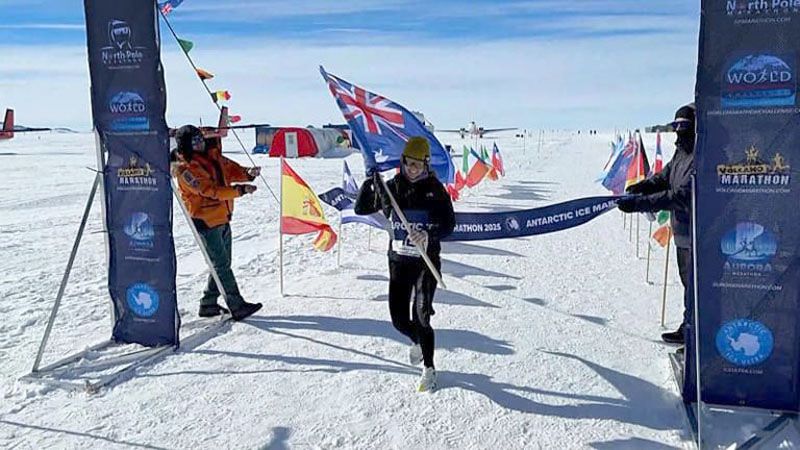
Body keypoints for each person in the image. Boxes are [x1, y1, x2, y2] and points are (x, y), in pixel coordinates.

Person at [354, 136, 455, 392]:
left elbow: (449, 224)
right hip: (399, 262)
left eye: (417, 165)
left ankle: (429, 369)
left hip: (425, 262)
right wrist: (370, 182)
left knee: (421, 315)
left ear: (426, 165)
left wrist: (429, 235)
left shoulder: (435, 189)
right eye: (408, 163)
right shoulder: (393, 187)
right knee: (399, 320)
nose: (412, 169)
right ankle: (417, 341)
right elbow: (361, 208)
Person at [617, 104, 695, 346]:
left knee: (697, 289)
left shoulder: (701, 156)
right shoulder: (681, 153)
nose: (679, 131)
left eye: (684, 126)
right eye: (675, 126)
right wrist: (642, 186)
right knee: (687, 286)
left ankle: (694, 335)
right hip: (682, 234)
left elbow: (681, 196)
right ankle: (688, 328)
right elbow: (665, 178)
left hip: (699, 235)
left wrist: (641, 204)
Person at [174, 124, 263, 321]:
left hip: (223, 217)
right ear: (186, 144)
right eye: (194, 141)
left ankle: (208, 303)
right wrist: (239, 190)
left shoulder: (212, 157)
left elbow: (231, 169)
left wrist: (248, 172)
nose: (199, 143)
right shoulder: (185, 170)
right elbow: (210, 190)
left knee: (222, 264)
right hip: (206, 221)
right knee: (221, 265)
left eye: (200, 139)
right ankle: (236, 305)